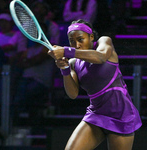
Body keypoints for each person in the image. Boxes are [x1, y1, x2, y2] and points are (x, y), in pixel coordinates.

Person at [48, 19, 142, 150]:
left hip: (121, 115)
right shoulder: (73, 63)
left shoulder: (104, 42)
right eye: (72, 41)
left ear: (91, 37)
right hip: (96, 115)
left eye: (81, 39)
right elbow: (73, 94)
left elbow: (101, 57)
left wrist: (66, 51)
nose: (77, 45)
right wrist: (64, 69)